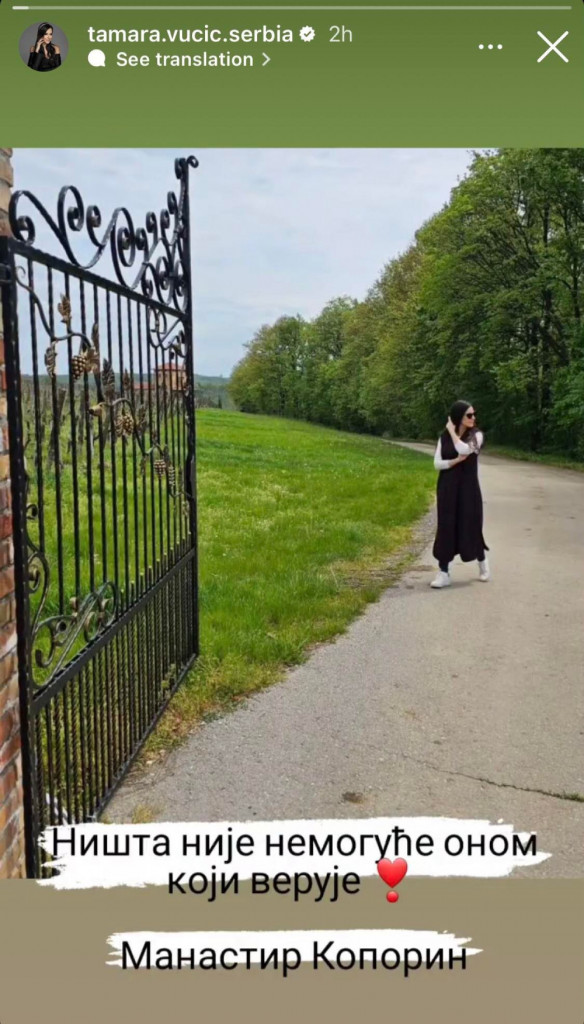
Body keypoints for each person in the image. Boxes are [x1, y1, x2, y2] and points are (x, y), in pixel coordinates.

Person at [430, 399, 489, 589]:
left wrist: (453, 433)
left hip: (468, 488)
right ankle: (443, 572)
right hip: (447, 487)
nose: (473, 418)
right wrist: (454, 462)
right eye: (469, 415)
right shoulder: (444, 437)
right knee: (446, 526)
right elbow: (437, 464)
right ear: (459, 416)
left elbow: (464, 449)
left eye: (474, 414)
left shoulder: (476, 435)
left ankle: (482, 561)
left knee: (471, 524)